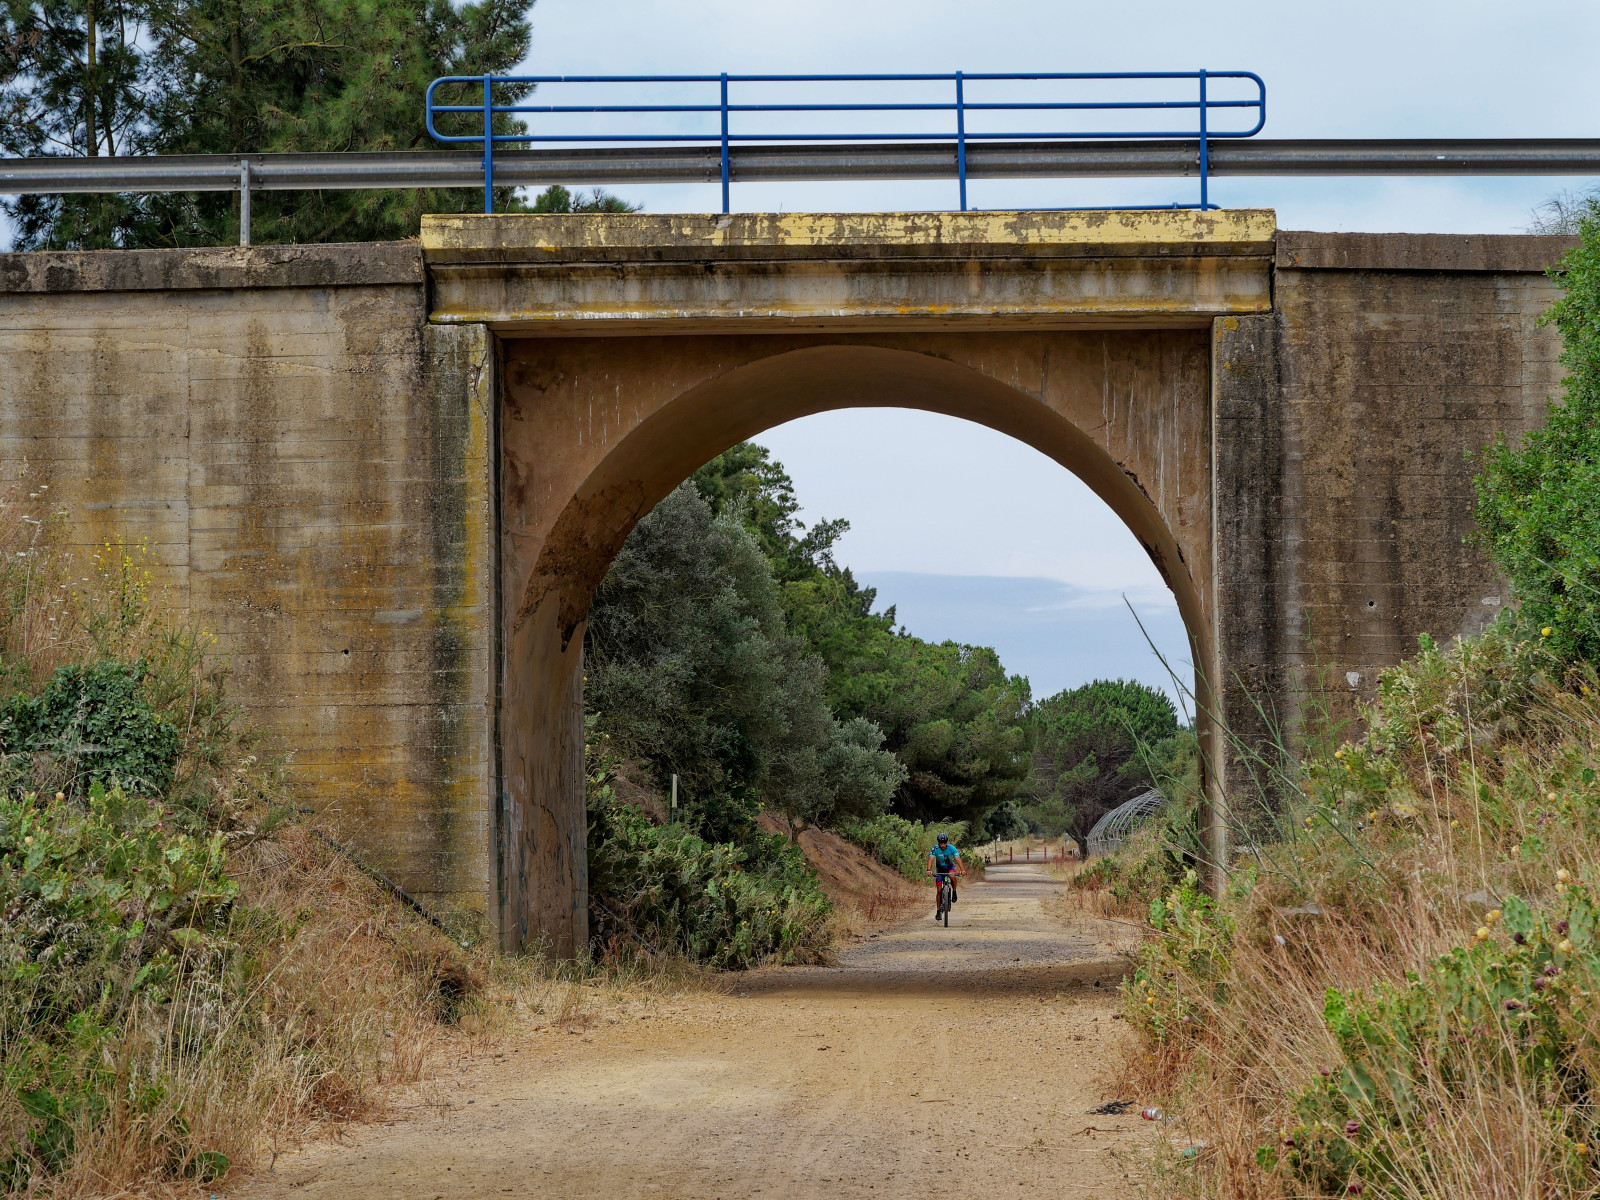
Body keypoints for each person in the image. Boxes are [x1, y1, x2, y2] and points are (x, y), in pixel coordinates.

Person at [926, 832, 965, 917]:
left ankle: (954, 892)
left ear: (947, 842)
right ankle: (938, 911)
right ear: (938, 843)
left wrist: (963, 870)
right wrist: (928, 870)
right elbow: (931, 859)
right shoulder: (935, 848)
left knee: (952, 876)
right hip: (940, 869)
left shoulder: (952, 848)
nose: (943, 845)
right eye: (941, 843)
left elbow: (958, 859)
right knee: (939, 890)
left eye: (944, 843)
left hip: (949, 868)